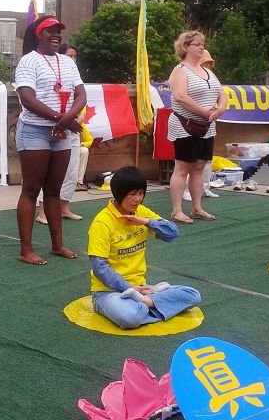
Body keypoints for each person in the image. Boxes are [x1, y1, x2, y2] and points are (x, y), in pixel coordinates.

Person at [88, 166, 201, 329]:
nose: (137, 199)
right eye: (132, 194)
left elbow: (172, 234)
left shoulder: (140, 212)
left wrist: (146, 221)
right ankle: (150, 303)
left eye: (141, 193)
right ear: (119, 193)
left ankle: (146, 303)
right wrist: (128, 288)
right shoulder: (102, 222)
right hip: (108, 293)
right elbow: (100, 268)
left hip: (142, 289)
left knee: (193, 295)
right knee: (131, 317)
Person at [15, 16, 86, 265]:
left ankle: (57, 245)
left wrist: (66, 119)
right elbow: (27, 98)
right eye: (50, 31)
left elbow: (81, 93)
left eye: (58, 31)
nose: (56, 35)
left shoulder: (67, 62)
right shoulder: (28, 61)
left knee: (54, 191)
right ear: (38, 34)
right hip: (35, 131)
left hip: (61, 133)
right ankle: (26, 250)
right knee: (31, 190)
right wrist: (62, 118)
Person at [168, 31, 227, 224]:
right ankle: (177, 210)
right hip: (185, 126)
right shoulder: (180, 70)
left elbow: (221, 91)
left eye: (202, 44)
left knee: (200, 167)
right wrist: (206, 112)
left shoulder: (207, 71)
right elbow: (180, 97)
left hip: (207, 127)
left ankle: (196, 207)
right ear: (185, 47)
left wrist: (220, 108)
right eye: (197, 44)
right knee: (182, 168)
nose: (202, 47)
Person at [36, 43, 86, 224]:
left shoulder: (75, 78)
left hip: (73, 131)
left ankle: (64, 207)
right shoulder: (51, 77)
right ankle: (42, 212)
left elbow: (82, 104)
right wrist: (63, 121)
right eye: (69, 56)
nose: (73, 60)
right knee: (50, 173)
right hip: (54, 128)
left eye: (75, 56)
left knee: (71, 172)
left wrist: (75, 120)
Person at [183, 49, 219, 201]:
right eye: (205, 63)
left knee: (207, 160)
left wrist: (217, 110)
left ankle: (205, 187)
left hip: (209, 124)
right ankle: (186, 190)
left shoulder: (212, 78)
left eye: (210, 63)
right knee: (190, 160)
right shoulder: (188, 76)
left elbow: (219, 96)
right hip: (192, 125)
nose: (208, 66)